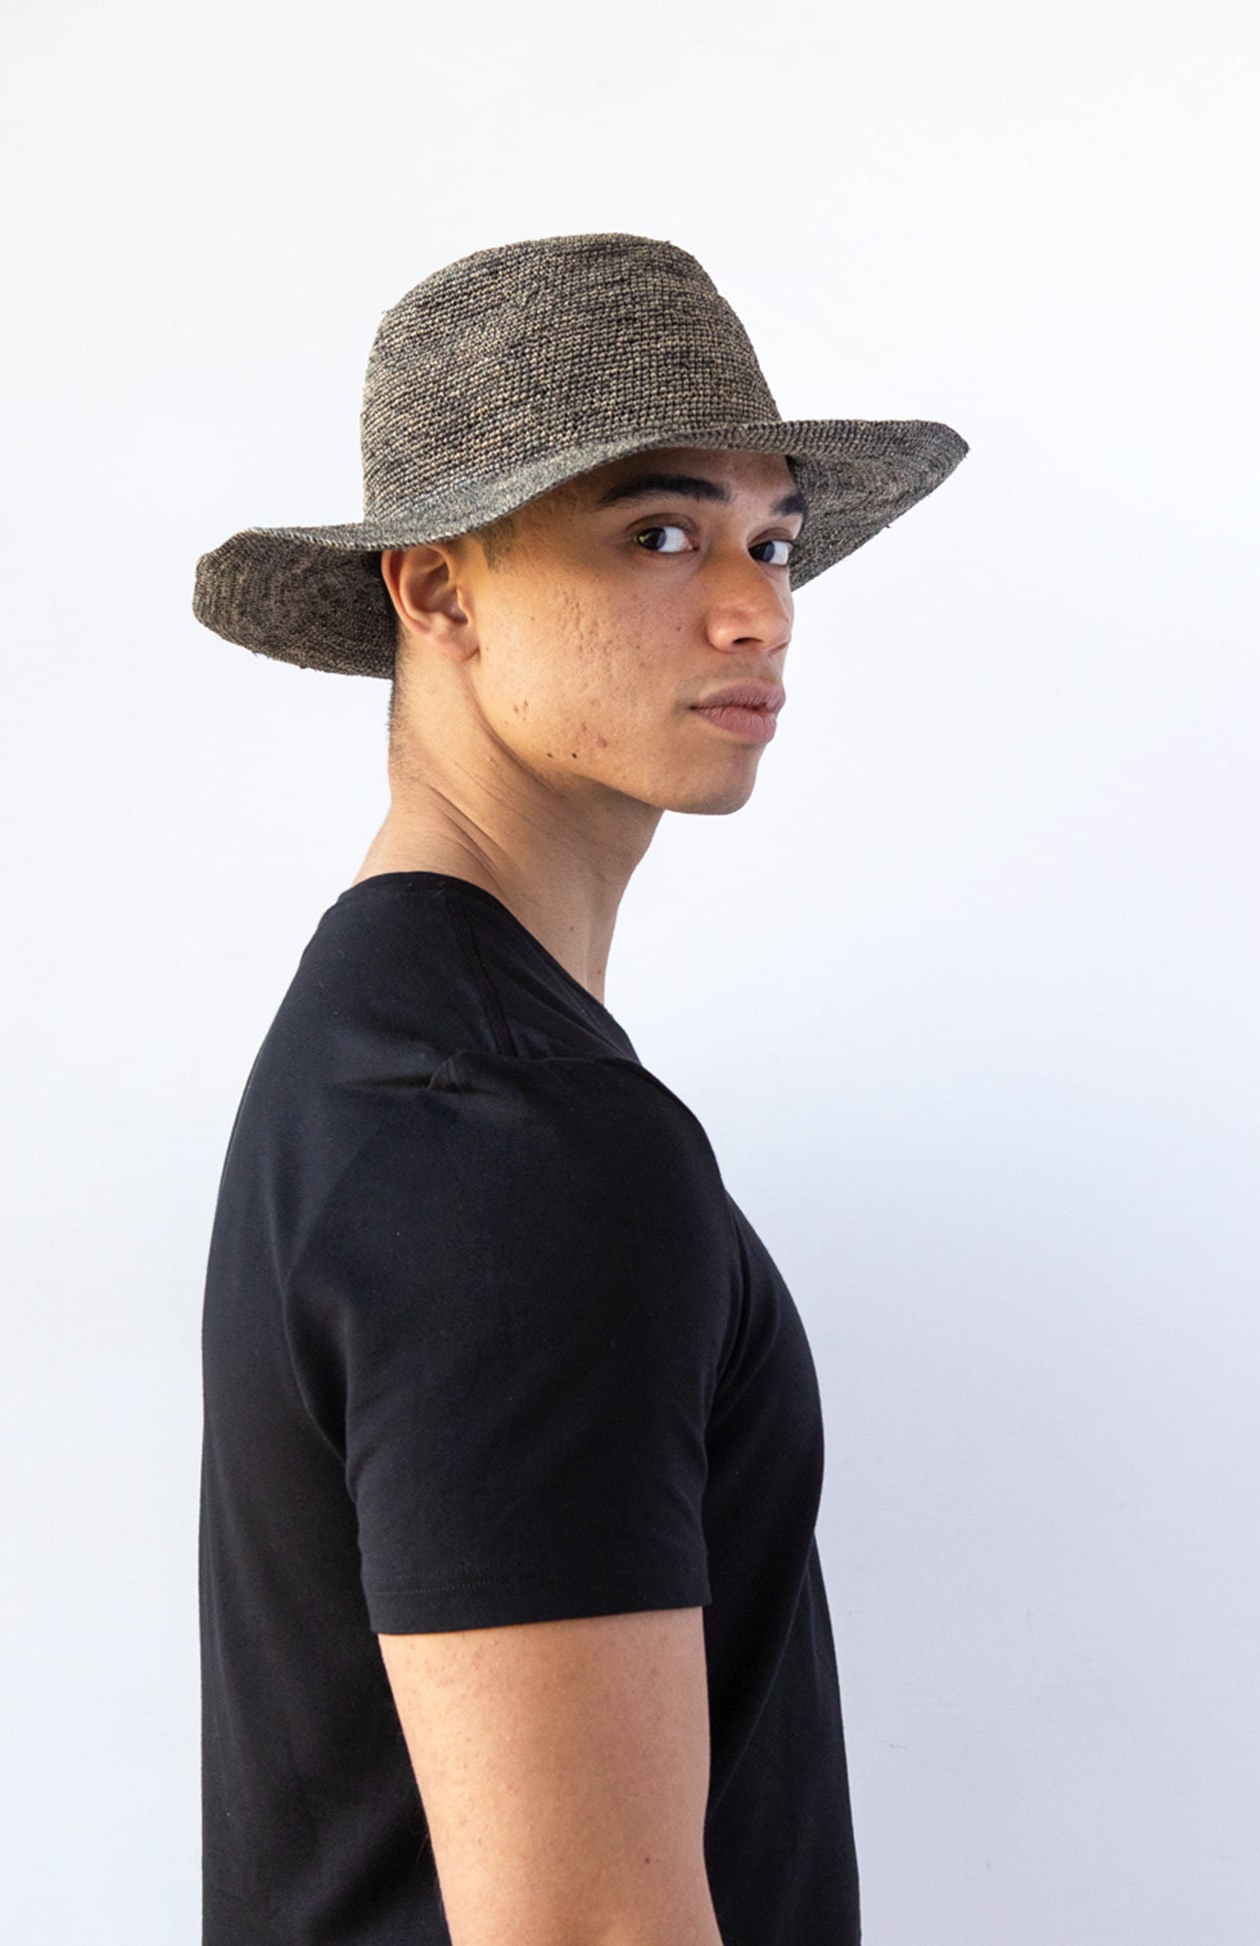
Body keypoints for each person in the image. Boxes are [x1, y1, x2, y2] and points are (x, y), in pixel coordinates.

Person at [191, 232, 966, 1946]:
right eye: (659, 533)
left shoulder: (391, 1053)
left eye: (774, 539)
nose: (756, 607)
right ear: (436, 591)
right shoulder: (506, 1140)